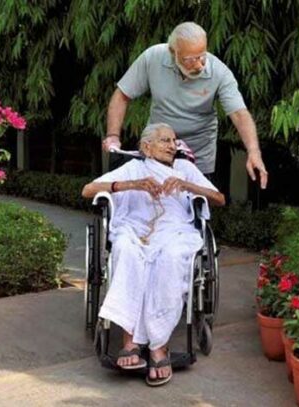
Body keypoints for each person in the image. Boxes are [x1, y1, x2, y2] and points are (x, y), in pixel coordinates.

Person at [82, 123, 225, 387]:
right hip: (136, 228)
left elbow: (219, 198)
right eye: (165, 140)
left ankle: (159, 345)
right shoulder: (135, 167)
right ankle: (131, 342)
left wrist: (186, 185)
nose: (173, 146)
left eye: (174, 140)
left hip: (174, 230)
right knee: (126, 249)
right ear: (146, 147)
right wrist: (132, 184)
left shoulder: (185, 169)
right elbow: (88, 190)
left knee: (169, 258)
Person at [102, 21, 268, 189]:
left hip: (199, 154)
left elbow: (239, 114)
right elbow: (122, 95)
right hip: (157, 149)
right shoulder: (153, 57)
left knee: (195, 207)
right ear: (173, 52)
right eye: (190, 59)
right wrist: (113, 135)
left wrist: (253, 151)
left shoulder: (219, 72)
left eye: (202, 55)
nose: (199, 64)